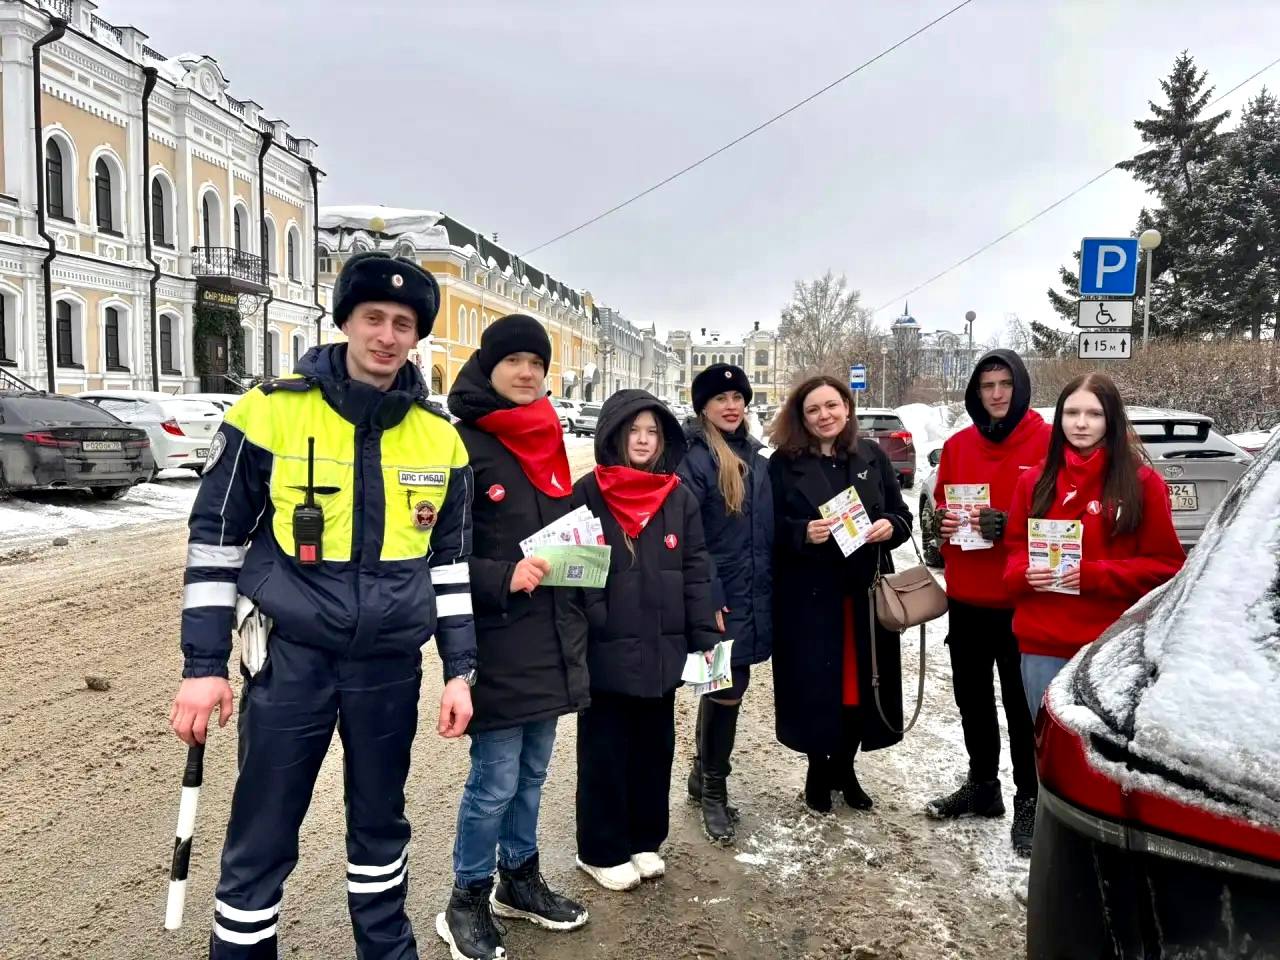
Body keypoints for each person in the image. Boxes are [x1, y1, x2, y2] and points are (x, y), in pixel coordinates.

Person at [168, 251, 477, 959]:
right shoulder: (271, 410)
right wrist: (203, 664)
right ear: (345, 321)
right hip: (292, 660)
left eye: (404, 324)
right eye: (374, 318)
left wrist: (460, 667)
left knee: (381, 826)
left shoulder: (440, 436)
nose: (388, 336)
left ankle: (387, 950)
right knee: (264, 829)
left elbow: (451, 566)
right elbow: (215, 542)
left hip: (389, 667)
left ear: (417, 336)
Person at [440, 314, 590, 960]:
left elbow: (552, 531)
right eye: (514, 361)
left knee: (532, 773)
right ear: (489, 366)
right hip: (496, 638)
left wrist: (584, 551)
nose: (527, 373)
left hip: (551, 635)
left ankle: (518, 879)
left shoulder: (547, 437)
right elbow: (435, 555)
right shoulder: (462, 445)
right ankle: (466, 896)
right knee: (494, 780)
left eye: (537, 362)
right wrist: (505, 576)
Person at [571, 390, 721, 889]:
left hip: (662, 649)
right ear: (614, 434)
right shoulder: (588, 492)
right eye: (633, 430)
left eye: (652, 432)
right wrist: (598, 616)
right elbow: (573, 569)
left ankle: (643, 840)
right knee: (606, 752)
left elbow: (697, 569)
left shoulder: (678, 496)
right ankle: (599, 849)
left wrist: (704, 634)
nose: (642, 439)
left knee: (654, 749)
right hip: (607, 648)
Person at [768, 376, 914, 812]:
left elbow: (901, 514)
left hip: (863, 595)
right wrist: (800, 533)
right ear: (802, 417)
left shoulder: (871, 456)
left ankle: (847, 768)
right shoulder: (782, 464)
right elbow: (766, 529)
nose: (824, 416)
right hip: (809, 599)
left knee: (861, 686)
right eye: (813, 410)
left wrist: (891, 527)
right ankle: (818, 768)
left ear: (847, 409)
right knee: (816, 686)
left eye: (832, 406)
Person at [925, 349, 1050, 857]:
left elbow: (1061, 517)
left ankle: (1030, 797)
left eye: (1004, 384)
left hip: (1021, 597)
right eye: (987, 386)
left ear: (1020, 387)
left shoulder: (1047, 442)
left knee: (1021, 706)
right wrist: (943, 524)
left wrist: (1013, 526)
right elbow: (940, 510)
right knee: (971, 697)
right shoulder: (958, 446)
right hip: (968, 594)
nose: (997, 394)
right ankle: (983, 786)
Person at [1004, 372, 1184, 718]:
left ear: (1111, 419)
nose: (1081, 424)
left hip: (1109, 648)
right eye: (1072, 414)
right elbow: (1015, 549)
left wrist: (1095, 575)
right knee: (1050, 756)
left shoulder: (1142, 483)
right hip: (1042, 645)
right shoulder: (1034, 481)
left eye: (1094, 414)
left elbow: (1167, 566)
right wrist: (1024, 572)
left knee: (1099, 764)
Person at [676, 363, 773, 843]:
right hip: (717, 597)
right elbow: (687, 535)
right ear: (704, 409)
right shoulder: (695, 460)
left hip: (749, 592)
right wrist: (708, 593)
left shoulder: (754, 455)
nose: (732, 406)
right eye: (721, 400)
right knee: (724, 688)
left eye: (738, 398)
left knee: (729, 687)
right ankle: (713, 791)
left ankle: (702, 775)